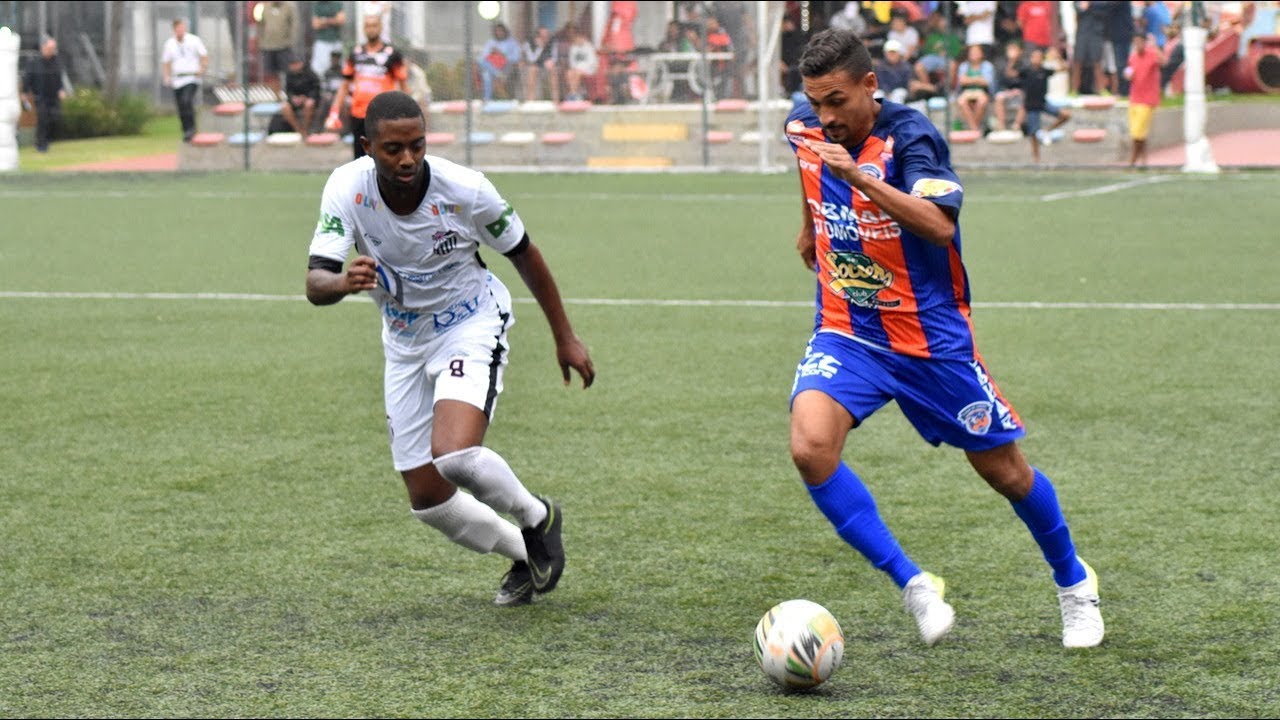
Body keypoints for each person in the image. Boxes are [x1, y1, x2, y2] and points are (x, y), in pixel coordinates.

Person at [783, 28, 1104, 649]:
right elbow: (808, 163)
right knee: (810, 448)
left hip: (929, 339)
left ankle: (1074, 582)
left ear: (870, 85)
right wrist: (808, 226)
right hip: (848, 329)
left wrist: (862, 180)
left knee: (1005, 472)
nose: (826, 117)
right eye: (816, 102)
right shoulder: (805, 125)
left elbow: (937, 225)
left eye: (837, 101)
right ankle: (914, 584)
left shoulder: (912, 138)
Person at [305, 91, 595, 607]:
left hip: (470, 323)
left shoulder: (466, 189)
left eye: (417, 145)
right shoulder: (346, 188)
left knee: (455, 455)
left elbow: (525, 254)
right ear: (367, 147)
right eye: (393, 149)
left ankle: (538, 517)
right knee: (429, 499)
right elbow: (315, 283)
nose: (408, 159)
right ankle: (527, 555)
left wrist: (564, 336)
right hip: (403, 342)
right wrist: (344, 283)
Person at [326, 14, 411, 159]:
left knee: (385, 157)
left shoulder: (392, 54)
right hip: (359, 114)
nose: (371, 29)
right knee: (360, 159)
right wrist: (334, 112)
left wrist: (408, 113)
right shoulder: (355, 53)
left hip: (384, 115)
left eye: (374, 25)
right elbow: (344, 85)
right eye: (367, 26)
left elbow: (404, 85)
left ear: (380, 27)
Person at [1019, 46, 1072, 161]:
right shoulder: (1026, 71)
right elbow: (1010, 74)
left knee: (1066, 115)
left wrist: (1058, 57)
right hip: (1032, 106)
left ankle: (1048, 130)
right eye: (1034, 57)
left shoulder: (1045, 71)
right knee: (1033, 133)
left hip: (1043, 103)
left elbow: (1065, 68)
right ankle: (1036, 157)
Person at [162, 19, 209, 143]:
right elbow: (166, 62)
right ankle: (186, 130)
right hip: (177, 79)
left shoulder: (194, 40)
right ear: (174, 30)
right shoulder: (169, 44)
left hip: (191, 78)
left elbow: (204, 56)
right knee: (181, 106)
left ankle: (191, 129)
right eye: (178, 28)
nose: (180, 31)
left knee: (186, 100)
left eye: (182, 28)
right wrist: (167, 76)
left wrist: (202, 68)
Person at [20, 37, 64, 154]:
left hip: (54, 96)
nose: (52, 50)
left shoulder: (56, 61)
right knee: (43, 119)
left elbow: (59, 77)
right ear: (43, 48)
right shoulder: (35, 63)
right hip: (40, 96)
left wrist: (61, 89)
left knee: (54, 118)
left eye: (53, 48)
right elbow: (28, 78)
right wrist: (24, 92)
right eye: (50, 48)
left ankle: (46, 140)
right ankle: (41, 145)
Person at [1125, 33, 1162, 167]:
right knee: (1139, 133)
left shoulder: (1152, 54)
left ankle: (1133, 159)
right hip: (1134, 98)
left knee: (1137, 132)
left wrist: (1155, 46)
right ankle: (1143, 159)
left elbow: (1164, 61)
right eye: (1136, 42)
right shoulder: (1132, 57)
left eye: (1140, 42)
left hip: (1147, 99)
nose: (1138, 45)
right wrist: (1128, 75)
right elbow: (1129, 72)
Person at [273, 53, 321, 135]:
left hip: (308, 99)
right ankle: (298, 129)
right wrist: (293, 98)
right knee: (284, 107)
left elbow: (316, 89)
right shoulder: (289, 75)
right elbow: (288, 91)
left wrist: (306, 97)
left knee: (309, 104)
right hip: (294, 100)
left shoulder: (310, 74)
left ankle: (305, 128)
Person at [258, 1, 298, 96]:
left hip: (283, 46)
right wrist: (261, 41)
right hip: (268, 46)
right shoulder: (264, 7)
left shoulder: (288, 7)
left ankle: (287, 94)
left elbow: (294, 25)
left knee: (286, 72)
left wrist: (291, 41)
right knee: (270, 73)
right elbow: (260, 24)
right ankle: (274, 94)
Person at [955, 44, 994, 132]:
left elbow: (986, 82)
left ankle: (973, 128)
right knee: (961, 101)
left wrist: (969, 79)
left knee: (982, 102)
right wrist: (978, 79)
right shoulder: (964, 66)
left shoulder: (987, 66)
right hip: (967, 92)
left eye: (976, 52)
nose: (974, 54)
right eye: (972, 52)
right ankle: (974, 128)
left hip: (982, 92)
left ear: (982, 54)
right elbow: (962, 81)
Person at [477, 23, 521, 102]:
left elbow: (516, 57)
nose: (499, 33)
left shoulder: (512, 42)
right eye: (497, 31)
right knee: (484, 68)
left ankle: (487, 98)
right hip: (492, 66)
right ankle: (487, 100)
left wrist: (501, 54)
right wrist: (491, 53)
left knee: (486, 73)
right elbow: (483, 57)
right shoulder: (490, 42)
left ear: (505, 31)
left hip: (504, 66)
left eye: (501, 31)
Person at [991, 41, 1026, 132]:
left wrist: (1018, 90)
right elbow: (1001, 80)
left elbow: (1024, 80)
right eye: (1010, 50)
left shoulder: (1024, 64)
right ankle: (1001, 126)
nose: (1012, 52)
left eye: (1014, 49)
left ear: (1020, 51)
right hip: (1005, 91)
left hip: (1020, 92)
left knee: (1027, 98)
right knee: (999, 97)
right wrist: (1011, 62)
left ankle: (1016, 126)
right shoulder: (1001, 63)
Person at [521, 26, 560, 103]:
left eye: (547, 35)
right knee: (532, 69)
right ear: (537, 36)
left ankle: (556, 100)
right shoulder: (529, 43)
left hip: (547, 64)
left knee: (553, 69)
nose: (545, 38)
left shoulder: (553, 42)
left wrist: (551, 61)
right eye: (543, 36)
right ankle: (530, 100)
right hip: (534, 64)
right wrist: (540, 47)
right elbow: (531, 59)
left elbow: (555, 57)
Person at [310, 1, 347, 77]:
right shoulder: (317, 5)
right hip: (322, 42)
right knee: (319, 70)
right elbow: (315, 25)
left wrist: (324, 20)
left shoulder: (337, 3)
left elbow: (341, 20)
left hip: (336, 41)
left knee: (340, 67)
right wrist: (333, 20)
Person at [563, 28, 599, 102]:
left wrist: (581, 68)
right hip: (577, 69)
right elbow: (572, 61)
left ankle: (573, 94)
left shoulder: (589, 47)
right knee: (569, 73)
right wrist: (575, 68)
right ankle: (573, 93)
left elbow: (592, 62)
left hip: (589, 69)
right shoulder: (573, 47)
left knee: (577, 73)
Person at [875, 39, 912, 103]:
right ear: (885, 53)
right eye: (889, 53)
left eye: (894, 53)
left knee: (898, 93)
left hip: (900, 90)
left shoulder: (906, 66)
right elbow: (880, 81)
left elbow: (906, 83)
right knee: (877, 94)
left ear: (899, 53)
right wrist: (887, 92)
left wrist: (891, 92)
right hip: (884, 91)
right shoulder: (880, 66)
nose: (891, 55)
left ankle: (896, 110)